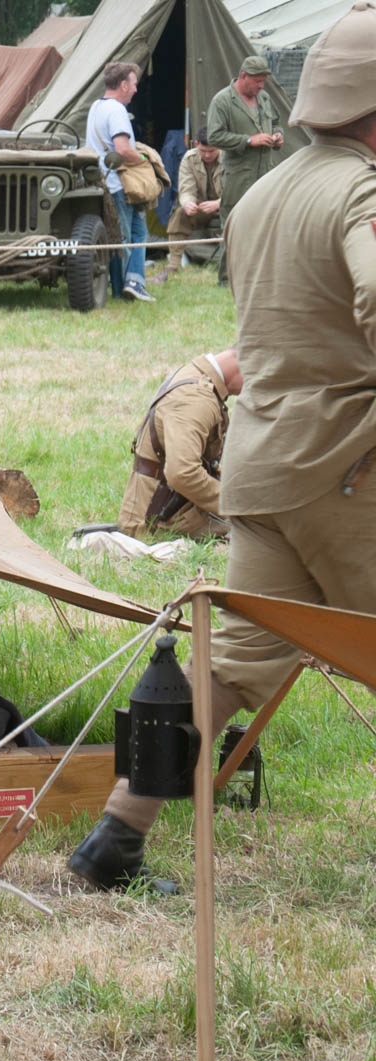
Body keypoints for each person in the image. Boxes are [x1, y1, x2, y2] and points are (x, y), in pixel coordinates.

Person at [67, 3, 376, 894]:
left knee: (233, 664)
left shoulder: (267, 192)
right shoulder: (361, 192)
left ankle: (115, 839)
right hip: (349, 472)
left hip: (264, 469)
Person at [117, 350, 239, 540]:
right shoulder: (195, 398)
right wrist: (239, 505)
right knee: (264, 534)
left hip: (174, 511)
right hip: (159, 524)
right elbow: (182, 473)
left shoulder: (195, 375)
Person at [86, 61, 155, 302]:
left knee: (126, 234)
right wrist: (145, 160)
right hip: (120, 183)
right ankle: (129, 286)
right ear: (124, 85)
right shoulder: (117, 111)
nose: (136, 89)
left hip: (104, 182)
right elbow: (123, 149)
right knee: (127, 236)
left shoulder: (96, 106)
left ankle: (128, 284)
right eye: (134, 84)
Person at [205, 54, 286, 254]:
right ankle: (228, 271)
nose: (261, 86)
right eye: (257, 81)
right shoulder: (223, 101)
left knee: (264, 225)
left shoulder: (264, 98)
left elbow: (276, 122)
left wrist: (278, 135)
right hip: (239, 176)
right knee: (234, 226)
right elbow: (214, 136)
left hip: (265, 173)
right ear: (243, 76)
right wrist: (248, 140)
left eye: (263, 81)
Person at [165, 129, 223, 269]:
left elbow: (238, 192)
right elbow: (186, 188)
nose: (207, 155)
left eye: (212, 151)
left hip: (227, 206)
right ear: (196, 144)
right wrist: (187, 203)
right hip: (202, 208)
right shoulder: (189, 158)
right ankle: (174, 264)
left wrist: (219, 203)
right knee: (179, 214)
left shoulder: (230, 158)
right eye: (203, 151)